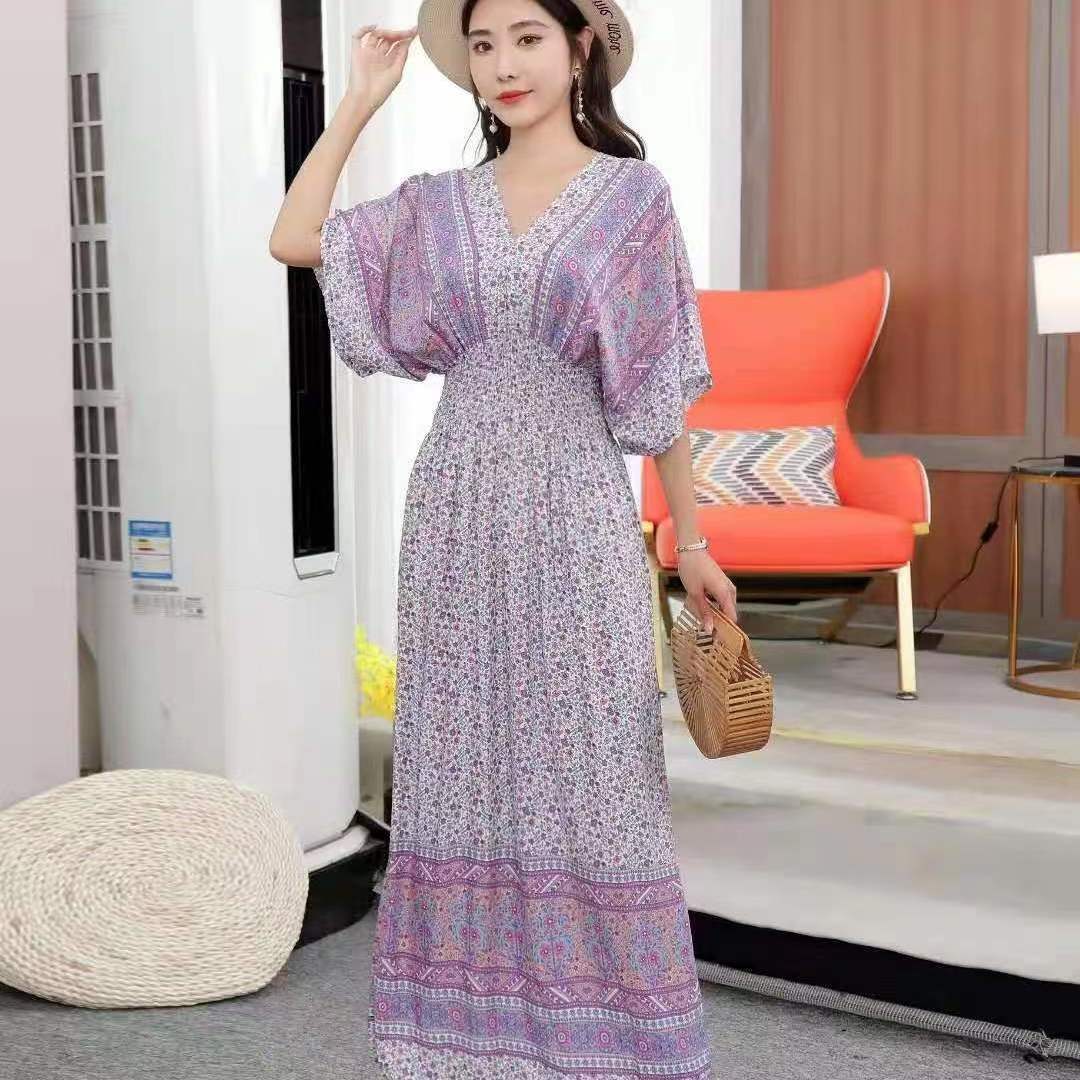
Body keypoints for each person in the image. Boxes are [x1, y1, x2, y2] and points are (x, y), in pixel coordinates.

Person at [270, 2, 737, 1076]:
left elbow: (660, 386)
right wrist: (359, 103)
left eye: (527, 37)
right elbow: (295, 238)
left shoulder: (633, 200)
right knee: (461, 763)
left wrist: (692, 541)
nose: (501, 64)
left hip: (577, 505)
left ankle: (615, 1034)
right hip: (457, 513)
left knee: (597, 770)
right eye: (482, 45)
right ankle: (468, 1031)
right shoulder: (437, 206)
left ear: (580, 47)